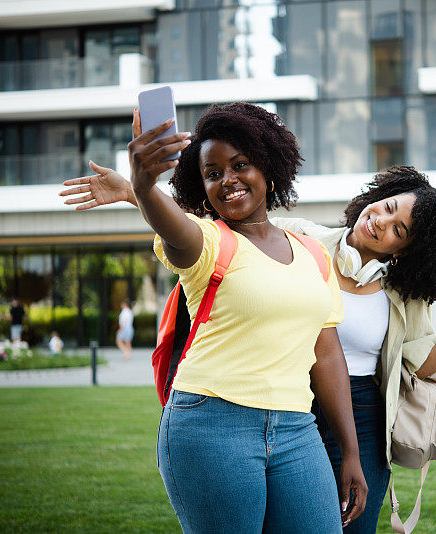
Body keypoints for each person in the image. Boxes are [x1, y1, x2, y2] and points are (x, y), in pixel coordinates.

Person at [61, 132, 436, 534]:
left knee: (351, 523)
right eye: (386, 206)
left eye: (399, 229)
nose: (381, 221)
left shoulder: (404, 294)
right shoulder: (305, 239)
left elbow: (416, 362)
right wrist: (136, 191)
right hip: (291, 399)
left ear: (406, 250)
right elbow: (212, 226)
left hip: (363, 410)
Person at [94, 102, 367, 533]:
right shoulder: (206, 240)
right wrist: (143, 188)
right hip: (211, 425)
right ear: (200, 185)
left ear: (269, 167)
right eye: (213, 172)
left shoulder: (314, 254)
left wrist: (350, 453)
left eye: (241, 164)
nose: (228, 180)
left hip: (298, 429)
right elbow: (174, 229)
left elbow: (327, 354)